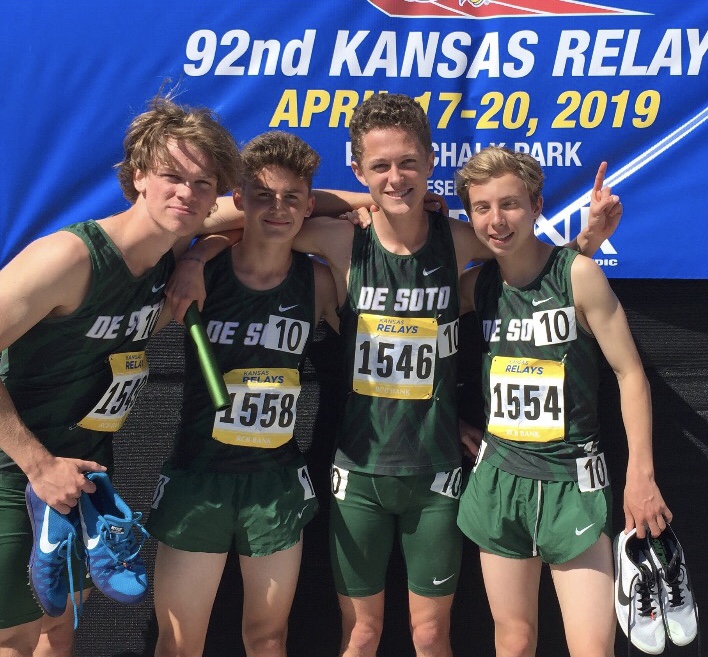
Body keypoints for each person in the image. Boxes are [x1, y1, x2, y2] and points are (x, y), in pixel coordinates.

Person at [170, 93, 619, 657]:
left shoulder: (460, 240)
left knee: (431, 636)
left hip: (434, 472)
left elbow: (533, 268)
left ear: (431, 163)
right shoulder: (338, 239)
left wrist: (584, 245)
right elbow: (239, 217)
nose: (396, 177)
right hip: (357, 468)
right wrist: (193, 257)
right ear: (357, 169)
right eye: (379, 166)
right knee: (360, 634)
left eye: (408, 163)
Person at [0, 94, 242, 657]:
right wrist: (38, 465)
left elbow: (263, 208)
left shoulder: (174, 244)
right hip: (12, 470)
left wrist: (198, 259)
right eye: (172, 176)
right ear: (137, 178)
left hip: (83, 475)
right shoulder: (70, 258)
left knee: (59, 629)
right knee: (8, 639)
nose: (188, 193)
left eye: (204, 184)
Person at [454, 146, 672, 657]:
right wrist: (445, 422)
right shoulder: (474, 286)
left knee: (592, 648)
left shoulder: (577, 274)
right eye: (482, 208)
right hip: (500, 480)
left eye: (509, 204)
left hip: (572, 482)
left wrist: (641, 474)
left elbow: (630, 372)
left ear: (536, 205)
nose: (496, 220)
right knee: (513, 641)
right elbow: (410, 343)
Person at [146, 130, 339, 657]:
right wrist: (193, 257)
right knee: (180, 643)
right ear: (239, 199)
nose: (278, 209)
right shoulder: (200, 272)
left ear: (308, 206)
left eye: (291, 198)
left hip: (273, 483)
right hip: (197, 477)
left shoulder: (319, 282)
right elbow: (193, 227)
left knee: (267, 637)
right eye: (263, 195)